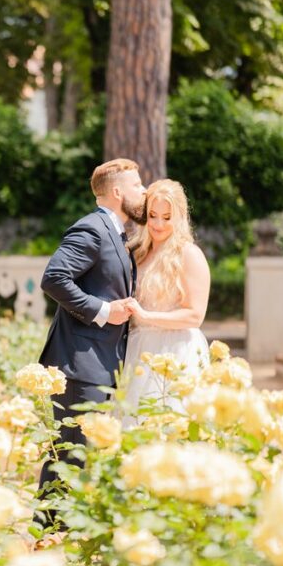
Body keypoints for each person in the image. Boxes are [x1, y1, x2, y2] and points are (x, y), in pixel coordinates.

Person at [36, 158, 147, 532]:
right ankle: (49, 535)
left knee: (77, 454)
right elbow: (54, 278)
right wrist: (103, 310)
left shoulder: (116, 233)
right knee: (69, 454)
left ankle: (60, 536)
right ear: (117, 192)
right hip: (79, 363)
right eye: (137, 185)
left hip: (100, 363)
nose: (143, 191)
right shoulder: (93, 228)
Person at [121, 179, 210, 419]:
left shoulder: (189, 254)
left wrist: (147, 315)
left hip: (175, 351)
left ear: (179, 217)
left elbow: (195, 315)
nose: (158, 224)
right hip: (138, 351)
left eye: (167, 217)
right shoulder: (136, 252)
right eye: (153, 215)